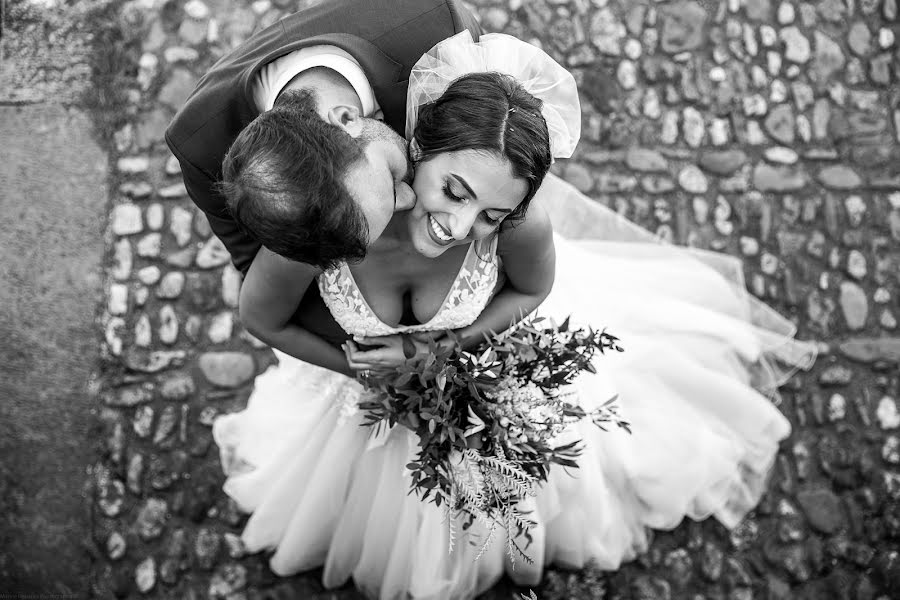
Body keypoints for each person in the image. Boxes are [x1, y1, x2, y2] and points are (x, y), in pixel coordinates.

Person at [213, 32, 818, 599]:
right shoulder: (335, 218)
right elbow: (263, 319)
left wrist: (438, 353)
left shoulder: (521, 228)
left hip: (479, 372)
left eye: (491, 215)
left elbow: (534, 290)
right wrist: (365, 375)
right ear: (418, 148)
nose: (459, 227)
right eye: (453, 191)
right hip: (360, 409)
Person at [165, 0, 483, 351]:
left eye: (391, 179)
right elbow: (257, 269)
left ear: (347, 119)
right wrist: (368, 350)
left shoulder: (440, 29)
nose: (409, 198)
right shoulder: (198, 150)